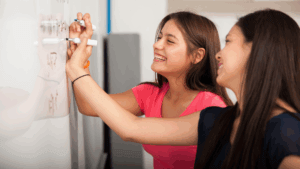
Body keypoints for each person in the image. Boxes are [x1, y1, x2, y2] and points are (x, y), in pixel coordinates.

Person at [66, 8, 300, 169]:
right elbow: (129, 127)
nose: (218, 53)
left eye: (228, 42)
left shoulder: (286, 132)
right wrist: (79, 66)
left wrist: (78, 69)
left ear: (257, 54)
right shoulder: (216, 120)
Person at [67, 11, 232, 169]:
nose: (156, 44)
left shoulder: (213, 108)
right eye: (160, 37)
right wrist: (80, 61)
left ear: (197, 56)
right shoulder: (149, 94)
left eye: (170, 41)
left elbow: (130, 129)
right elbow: (88, 106)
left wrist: (77, 70)